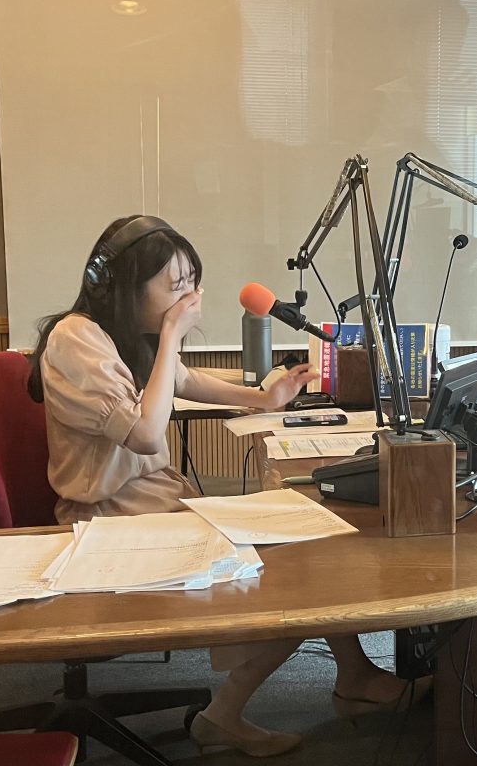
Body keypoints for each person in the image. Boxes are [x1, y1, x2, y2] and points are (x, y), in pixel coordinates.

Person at [27, 215, 427, 758]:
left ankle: (354, 674)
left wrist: (265, 398)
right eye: (175, 287)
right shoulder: (77, 339)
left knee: (304, 540)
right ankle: (223, 716)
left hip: (152, 504)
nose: (189, 300)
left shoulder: (122, 333)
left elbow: (183, 380)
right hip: (112, 524)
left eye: (192, 284)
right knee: (298, 576)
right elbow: (145, 433)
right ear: (121, 286)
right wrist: (172, 335)